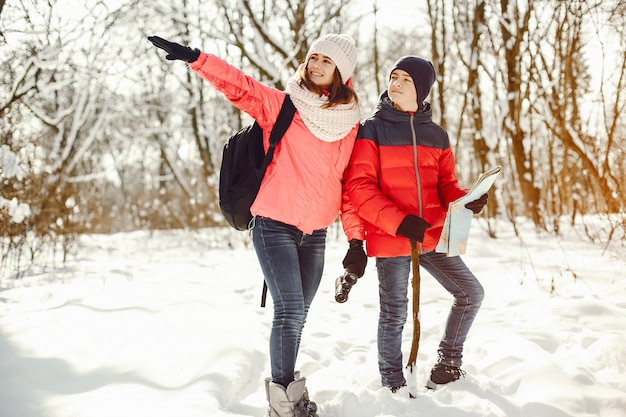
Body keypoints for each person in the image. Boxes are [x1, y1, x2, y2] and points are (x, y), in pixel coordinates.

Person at [148, 34, 365, 416]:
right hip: (274, 223)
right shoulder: (283, 104)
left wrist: (354, 240)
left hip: (315, 233)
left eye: (325, 61)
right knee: (289, 310)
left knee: (299, 314)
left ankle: (289, 392)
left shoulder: (349, 127)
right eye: (312, 57)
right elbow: (239, 84)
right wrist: (196, 59)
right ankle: (284, 403)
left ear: (340, 74)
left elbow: (347, 189)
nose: (315, 65)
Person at [341, 55, 488, 392]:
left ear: (421, 88)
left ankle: (448, 365)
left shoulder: (437, 135)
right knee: (394, 315)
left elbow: (447, 186)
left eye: (406, 79)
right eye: (393, 76)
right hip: (393, 237)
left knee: (470, 293)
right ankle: (393, 384)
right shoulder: (372, 130)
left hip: (432, 236)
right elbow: (359, 188)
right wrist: (399, 221)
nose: (396, 83)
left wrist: (468, 198)